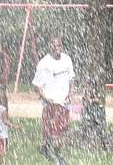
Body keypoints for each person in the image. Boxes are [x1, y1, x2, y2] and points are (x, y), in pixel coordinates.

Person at [32, 36, 75, 165]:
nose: (57, 48)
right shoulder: (44, 63)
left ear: (61, 46)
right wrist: (45, 98)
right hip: (52, 102)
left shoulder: (67, 59)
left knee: (62, 129)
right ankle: (59, 157)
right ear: (50, 46)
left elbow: (71, 78)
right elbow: (36, 84)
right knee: (56, 131)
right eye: (54, 46)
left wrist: (71, 93)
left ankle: (45, 148)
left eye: (59, 46)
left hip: (65, 102)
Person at [0, 89, 21, 165]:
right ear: (1, 99)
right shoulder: (3, 109)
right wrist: (14, 126)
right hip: (1, 134)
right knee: (1, 152)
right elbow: (5, 121)